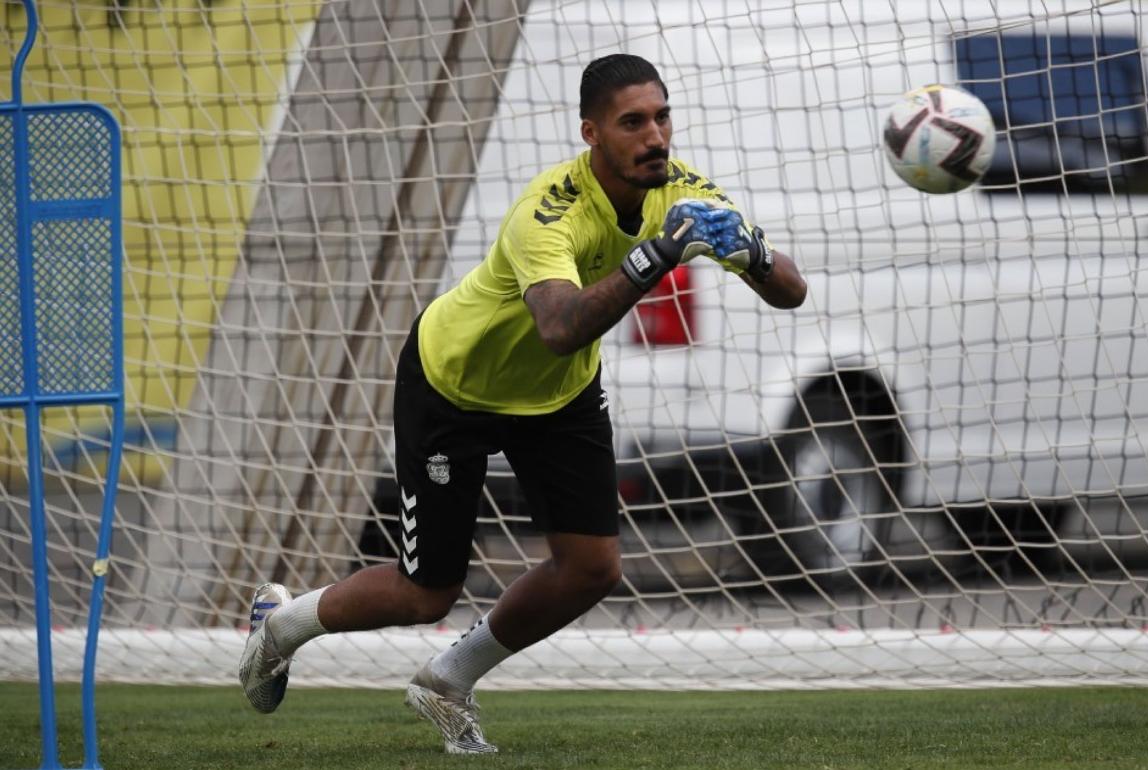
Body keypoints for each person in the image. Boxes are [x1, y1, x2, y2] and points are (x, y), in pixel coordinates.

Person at [238, 53, 807, 755]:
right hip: (455, 384)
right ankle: (282, 624)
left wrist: (751, 252)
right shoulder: (549, 210)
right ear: (591, 134)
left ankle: (447, 681)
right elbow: (560, 327)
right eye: (633, 122)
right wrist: (655, 256)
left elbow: (792, 290)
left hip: (557, 397)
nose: (656, 137)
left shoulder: (681, 188)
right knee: (428, 594)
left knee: (593, 568)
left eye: (662, 117)